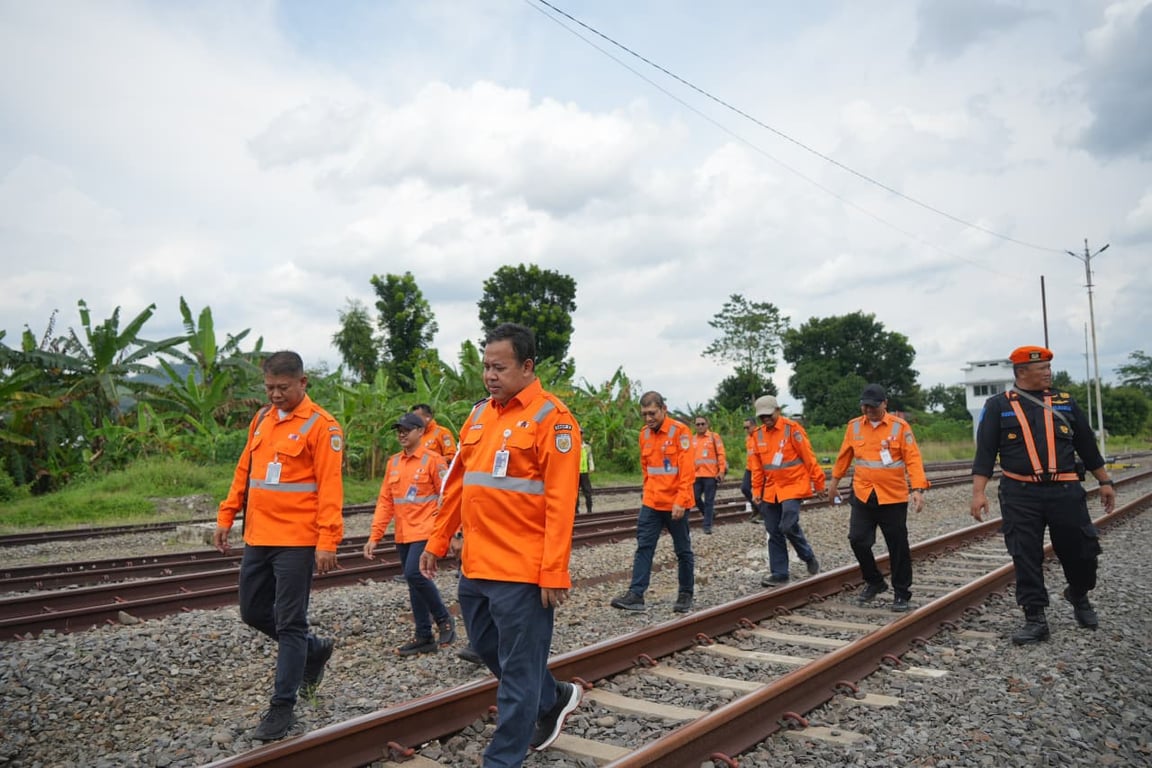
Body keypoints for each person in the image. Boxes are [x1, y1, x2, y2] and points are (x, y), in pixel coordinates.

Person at [419, 323, 582, 766]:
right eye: (486, 366)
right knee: (488, 648)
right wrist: (437, 540)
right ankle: (553, 698)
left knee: (518, 670)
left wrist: (553, 571)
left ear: (527, 367)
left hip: (522, 568)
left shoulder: (553, 419)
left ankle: (503, 758)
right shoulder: (479, 415)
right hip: (476, 564)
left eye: (500, 367)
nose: (490, 375)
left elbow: (561, 503)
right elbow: (458, 485)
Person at [214, 351, 343, 741]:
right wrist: (226, 515)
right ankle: (313, 649)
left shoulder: (322, 426)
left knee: (290, 623)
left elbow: (330, 489)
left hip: (297, 541)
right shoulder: (261, 420)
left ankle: (282, 707)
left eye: (282, 388)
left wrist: (328, 540)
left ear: (302, 382)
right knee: (252, 611)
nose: (274, 395)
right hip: (259, 536)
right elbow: (245, 472)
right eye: (269, 387)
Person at [971, 345, 1115, 644]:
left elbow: (1087, 445)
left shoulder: (1065, 402)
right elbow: (985, 452)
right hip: (1020, 493)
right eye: (1042, 369)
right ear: (1022, 372)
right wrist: (978, 493)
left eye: (1049, 367)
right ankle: (1035, 617)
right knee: (1025, 555)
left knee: (1082, 553)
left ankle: (1078, 593)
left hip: (1065, 492)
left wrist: (1105, 481)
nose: (1049, 373)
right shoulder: (998, 406)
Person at [828, 383, 928, 613]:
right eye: (865, 406)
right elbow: (844, 456)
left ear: (885, 404)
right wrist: (834, 483)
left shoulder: (900, 427)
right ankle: (874, 581)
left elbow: (913, 459)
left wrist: (918, 489)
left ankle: (901, 593)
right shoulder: (854, 426)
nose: (868, 410)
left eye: (873, 406)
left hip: (892, 497)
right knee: (857, 539)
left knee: (897, 546)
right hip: (863, 493)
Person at [364, 412, 456, 656]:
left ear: (420, 431)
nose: (402, 434)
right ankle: (423, 635)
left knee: (415, 574)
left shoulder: (434, 461)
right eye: (399, 431)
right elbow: (386, 501)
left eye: (407, 430)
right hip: (404, 533)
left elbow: (448, 497)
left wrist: (449, 532)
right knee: (413, 582)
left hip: (426, 529)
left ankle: (444, 618)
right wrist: (375, 535)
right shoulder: (394, 462)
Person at [610, 391, 697, 613]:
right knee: (644, 547)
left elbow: (687, 471)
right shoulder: (644, 434)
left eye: (652, 413)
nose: (648, 418)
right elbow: (646, 469)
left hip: (675, 503)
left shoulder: (680, 432)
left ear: (663, 409)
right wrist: (646, 492)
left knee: (683, 550)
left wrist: (681, 500)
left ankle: (685, 593)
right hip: (652, 502)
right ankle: (636, 594)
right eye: (644, 414)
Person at [748, 395, 823, 586]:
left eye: (769, 415)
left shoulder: (792, 429)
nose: (766, 419)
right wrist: (756, 490)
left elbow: (808, 457)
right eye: (762, 416)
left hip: (793, 485)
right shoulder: (757, 435)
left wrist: (819, 482)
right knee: (773, 530)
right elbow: (757, 467)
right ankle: (780, 573)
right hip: (771, 489)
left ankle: (807, 555)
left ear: (778, 411)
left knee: (787, 526)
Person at [691, 415, 727, 534]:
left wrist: (721, 471)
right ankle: (710, 514)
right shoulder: (692, 439)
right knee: (695, 498)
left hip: (711, 475)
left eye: (703, 424)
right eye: (698, 424)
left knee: (709, 501)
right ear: (695, 426)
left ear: (707, 425)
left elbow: (721, 454)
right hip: (696, 475)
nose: (700, 426)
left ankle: (707, 526)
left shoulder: (714, 437)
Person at [739, 417, 760, 522]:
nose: (746, 430)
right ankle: (757, 508)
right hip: (750, 468)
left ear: (754, 425)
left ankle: (761, 512)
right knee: (745, 488)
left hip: (759, 469)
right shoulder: (748, 438)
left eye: (748, 427)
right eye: (744, 428)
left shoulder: (761, 436)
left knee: (761, 493)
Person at [576, 429, 594, 514]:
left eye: (581, 434)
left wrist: (591, 467)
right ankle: (576, 511)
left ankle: (589, 510)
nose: (580, 435)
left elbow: (590, 457)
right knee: (575, 494)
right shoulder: (573, 446)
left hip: (584, 473)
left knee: (588, 492)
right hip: (575, 474)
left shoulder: (586, 447)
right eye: (579, 433)